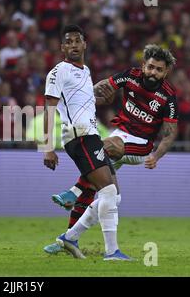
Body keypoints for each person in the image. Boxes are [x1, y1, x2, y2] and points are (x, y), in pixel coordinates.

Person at [44, 44, 179, 255]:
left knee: (103, 147)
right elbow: (101, 87)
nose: (153, 72)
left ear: (165, 72)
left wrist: (157, 155)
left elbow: (170, 133)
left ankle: (72, 192)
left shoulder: (168, 96)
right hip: (120, 135)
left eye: (159, 70)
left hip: (141, 146)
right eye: (151, 67)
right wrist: (82, 95)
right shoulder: (130, 76)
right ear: (143, 66)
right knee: (108, 194)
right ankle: (70, 239)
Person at [41, 24, 131, 260]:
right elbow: (49, 109)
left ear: (84, 44)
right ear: (62, 47)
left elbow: (80, 102)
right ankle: (112, 252)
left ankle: (69, 235)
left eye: (77, 41)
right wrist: (47, 148)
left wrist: (99, 98)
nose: (73, 45)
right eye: (68, 42)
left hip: (91, 135)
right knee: (108, 189)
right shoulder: (58, 71)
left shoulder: (86, 70)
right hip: (78, 136)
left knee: (114, 194)